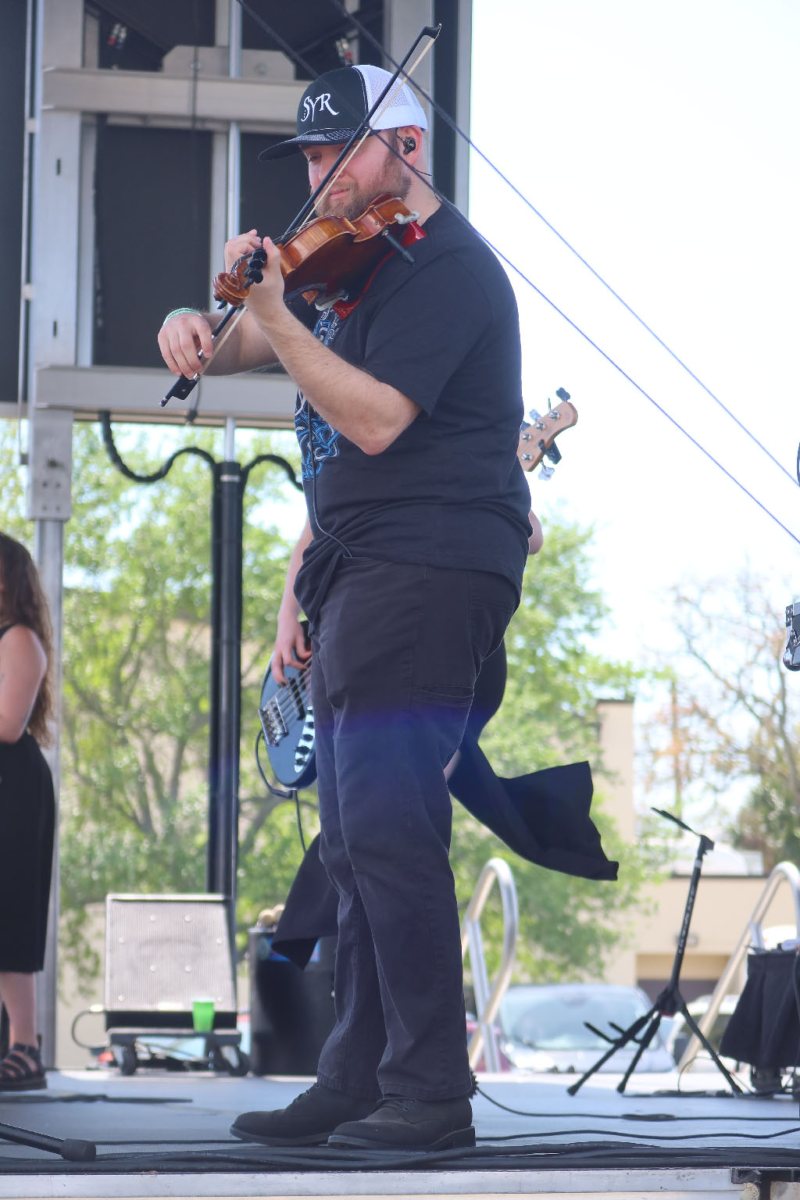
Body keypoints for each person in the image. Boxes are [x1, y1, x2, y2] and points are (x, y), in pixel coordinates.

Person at [159, 62, 536, 1151]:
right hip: (362, 567)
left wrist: (274, 315)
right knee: (350, 838)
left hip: (429, 565)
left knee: (387, 824)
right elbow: (244, 339)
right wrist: (198, 320)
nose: (321, 177)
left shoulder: (449, 268)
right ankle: (361, 1075)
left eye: (340, 153)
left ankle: (429, 1089)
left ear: (406, 150)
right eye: (312, 157)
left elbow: (373, 420)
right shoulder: (351, 264)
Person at [0, 532, 56, 1092]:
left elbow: (8, 724)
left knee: (11, 911)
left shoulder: (18, 638)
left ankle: (25, 1048)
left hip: (12, 789)